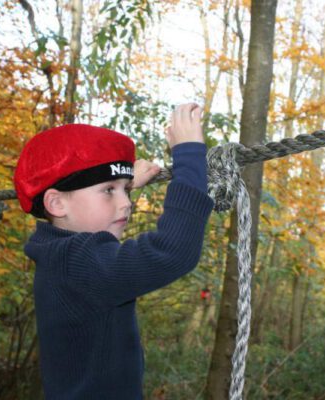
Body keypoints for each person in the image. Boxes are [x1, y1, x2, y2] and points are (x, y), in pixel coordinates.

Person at [13, 103, 214, 399]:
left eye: (126, 189)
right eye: (109, 190)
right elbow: (172, 251)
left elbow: (98, 227)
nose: (126, 203)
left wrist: (116, 185)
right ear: (56, 204)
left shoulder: (55, 252)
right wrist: (189, 156)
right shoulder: (79, 263)